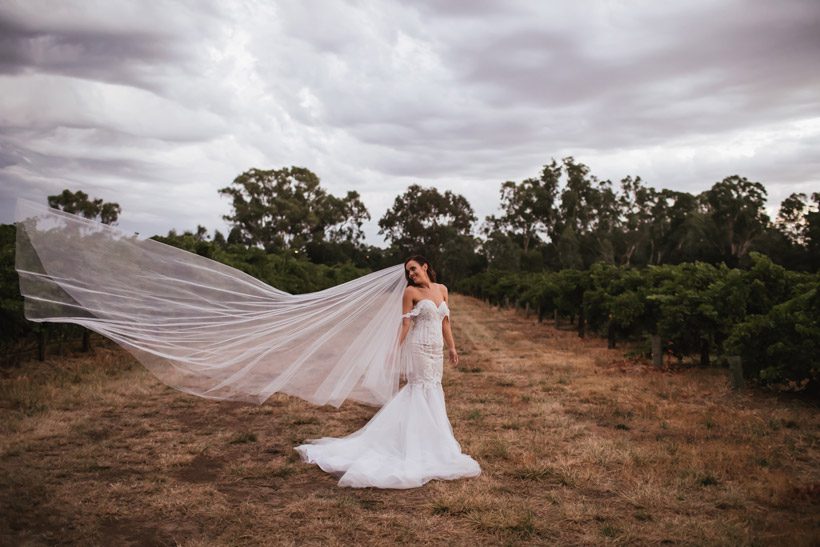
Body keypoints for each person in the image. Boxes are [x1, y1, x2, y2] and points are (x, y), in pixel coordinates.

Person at [295, 255, 481, 488]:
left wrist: (452, 347)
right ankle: (416, 445)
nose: (411, 275)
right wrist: (395, 349)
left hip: (436, 350)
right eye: (408, 273)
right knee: (420, 390)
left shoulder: (442, 289)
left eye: (414, 269)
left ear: (425, 266)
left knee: (434, 389)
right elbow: (405, 324)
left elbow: (446, 323)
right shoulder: (410, 293)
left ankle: (433, 441)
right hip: (419, 347)